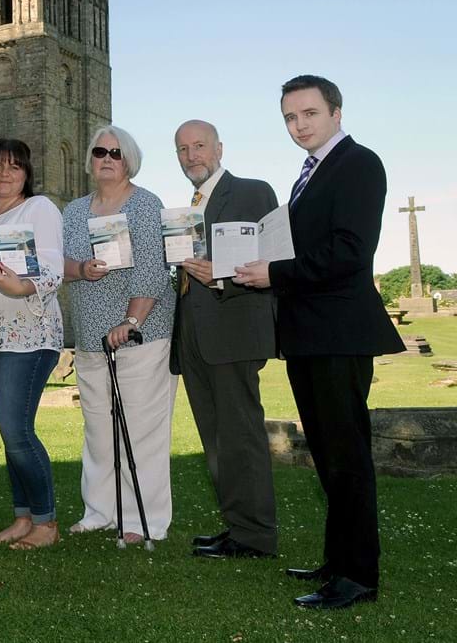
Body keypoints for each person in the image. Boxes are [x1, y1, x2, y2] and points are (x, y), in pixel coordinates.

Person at [235, 75, 402, 610]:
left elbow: (351, 251)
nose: (298, 125)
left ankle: (358, 577)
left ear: (335, 113)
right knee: (328, 457)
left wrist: (275, 273)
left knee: (346, 457)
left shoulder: (359, 163)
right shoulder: (309, 173)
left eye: (308, 113)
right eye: (289, 117)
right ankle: (339, 560)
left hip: (340, 332)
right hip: (309, 334)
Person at [61, 125, 177, 543]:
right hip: (91, 336)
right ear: (90, 159)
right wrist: (81, 269)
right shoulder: (73, 210)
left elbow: (152, 268)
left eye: (116, 152)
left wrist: (130, 323)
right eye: (99, 152)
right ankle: (99, 511)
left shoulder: (146, 205)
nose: (107, 159)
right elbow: (63, 263)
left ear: (129, 160)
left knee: (142, 427)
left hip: (140, 333)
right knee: (96, 427)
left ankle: (143, 520)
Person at [171, 120, 278, 560]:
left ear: (219, 148)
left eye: (199, 146)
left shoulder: (253, 192)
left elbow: (271, 262)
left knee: (241, 435)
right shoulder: (191, 205)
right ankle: (238, 526)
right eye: (182, 149)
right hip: (195, 335)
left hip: (232, 330)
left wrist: (218, 275)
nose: (192, 155)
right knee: (215, 439)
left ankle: (256, 536)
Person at [0, 139, 65, 550]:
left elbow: (52, 264)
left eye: (13, 167)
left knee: (17, 430)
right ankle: (22, 517)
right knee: (8, 431)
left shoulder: (39, 208)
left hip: (29, 333)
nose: (4, 174)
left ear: (27, 173)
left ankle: (46, 523)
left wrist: (22, 285)